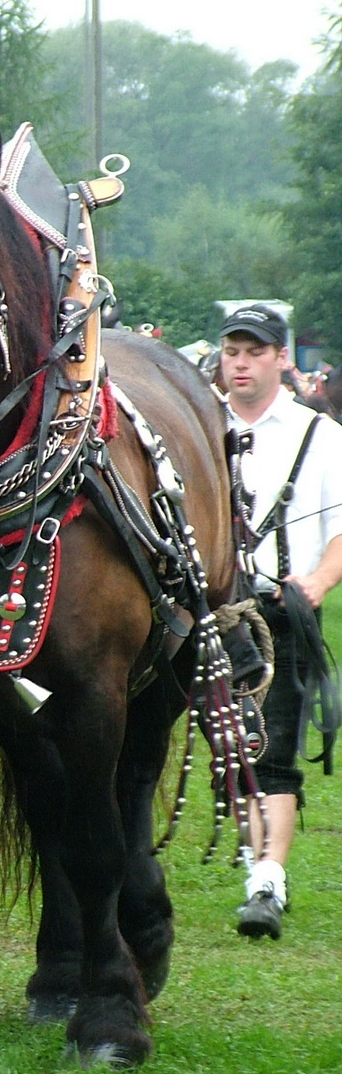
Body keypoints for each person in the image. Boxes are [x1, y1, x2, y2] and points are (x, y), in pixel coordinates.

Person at [221, 303, 342, 940]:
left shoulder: (318, 435)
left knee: (272, 752)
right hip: (210, 613)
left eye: (255, 352)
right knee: (227, 753)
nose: (241, 363)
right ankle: (255, 864)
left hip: (281, 612)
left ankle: (268, 878)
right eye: (233, 351)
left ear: (280, 359)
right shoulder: (198, 424)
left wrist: (317, 582)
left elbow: (341, 532)